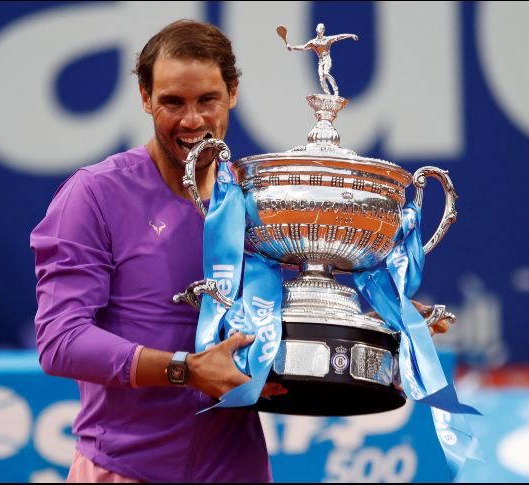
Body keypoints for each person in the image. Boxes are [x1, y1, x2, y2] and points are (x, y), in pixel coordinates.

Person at [31, 18, 454, 483]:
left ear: (232, 93)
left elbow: (274, 318)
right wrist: (185, 370)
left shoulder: (253, 200)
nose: (192, 121)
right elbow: (60, 342)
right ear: (146, 98)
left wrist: (378, 328)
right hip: (122, 471)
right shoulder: (93, 195)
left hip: (237, 470)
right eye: (172, 102)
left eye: (207, 100)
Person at [282, 23, 358, 97]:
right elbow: (303, 47)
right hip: (320, 62)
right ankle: (328, 94)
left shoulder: (328, 39)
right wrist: (292, 48)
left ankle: (336, 90)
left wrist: (351, 35)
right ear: (316, 29)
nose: (322, 29)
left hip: (327, 60)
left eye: (323, 28)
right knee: (321, 78)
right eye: (320, 28)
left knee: (326, 73)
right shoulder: (313, 42)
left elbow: (339, 36)